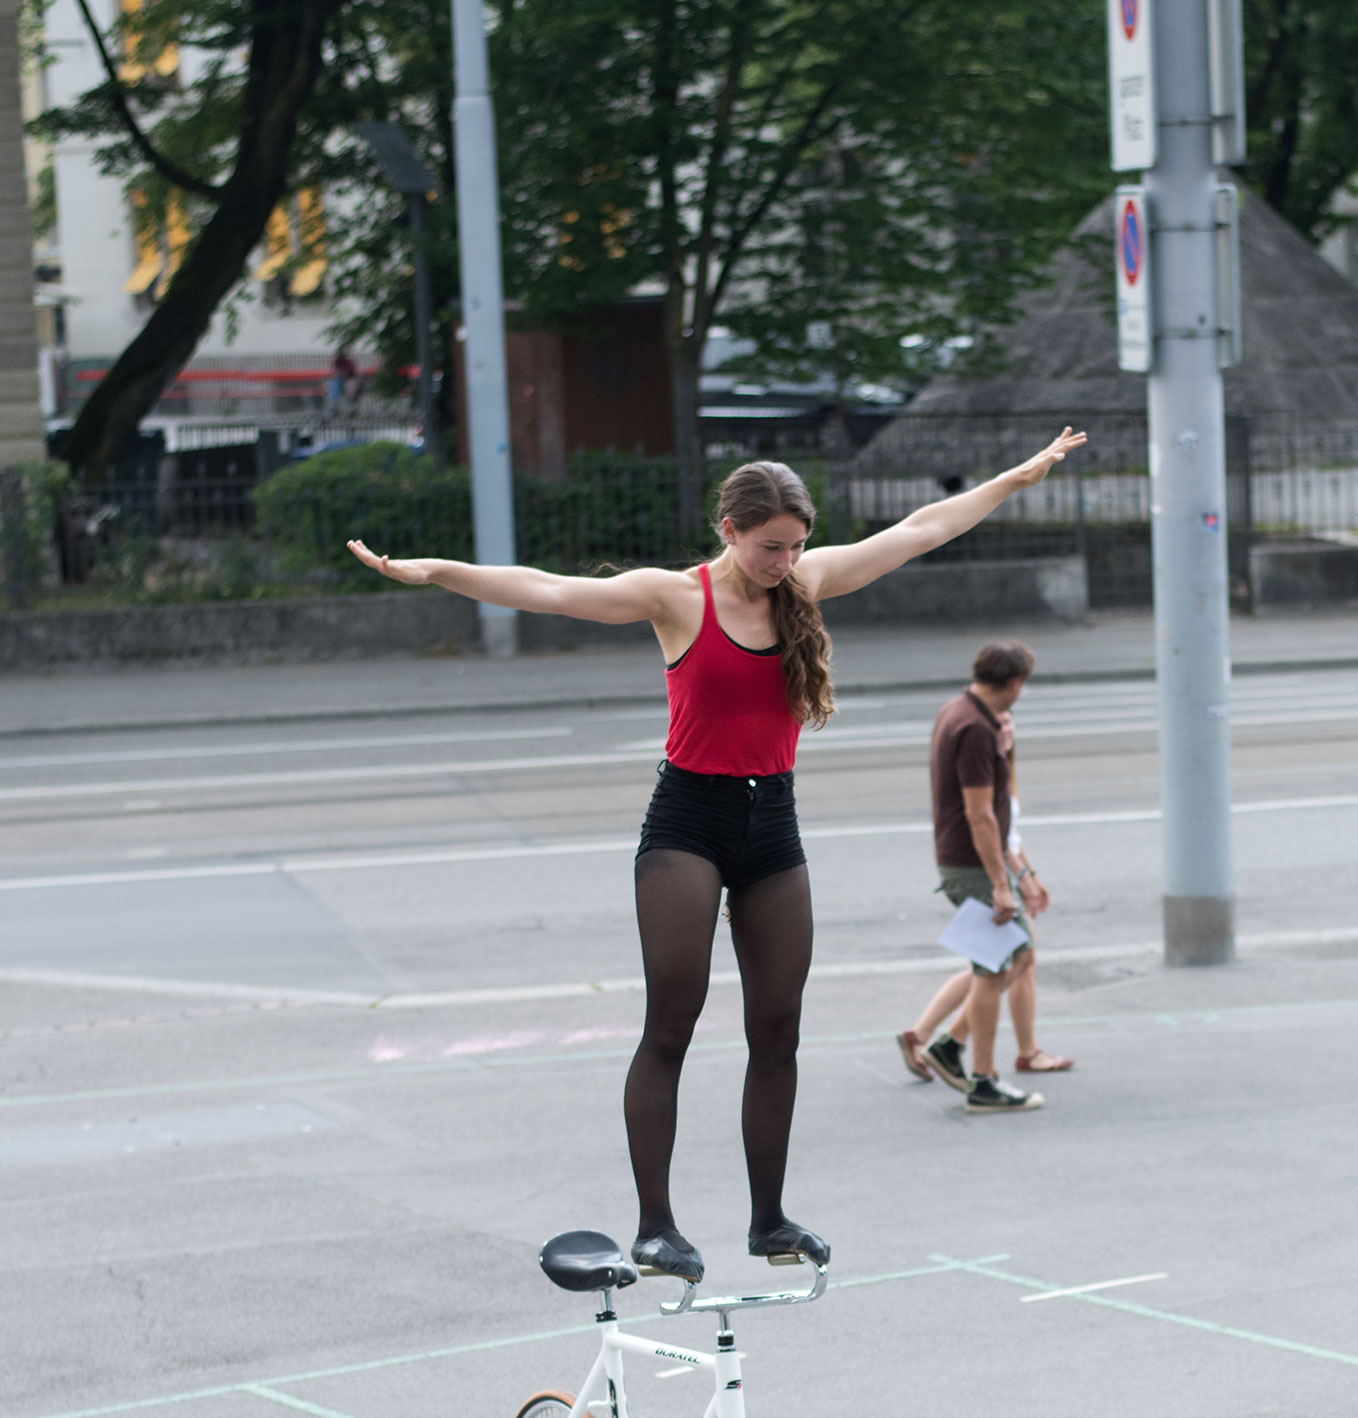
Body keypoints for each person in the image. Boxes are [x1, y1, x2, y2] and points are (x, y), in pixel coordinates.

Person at [347, 430, 1085, 1280]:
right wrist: (435, 570)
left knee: (778, 1031)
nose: (786, 560)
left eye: (797, 546)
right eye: (772, 545)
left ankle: (768, 1220)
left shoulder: (805, 583)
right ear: (730, 530)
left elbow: (921, 528)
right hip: (687, 823)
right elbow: (548, 590)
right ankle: (655, 1226)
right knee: (673, 1023)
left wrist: (1013, 477)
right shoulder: (676, 599)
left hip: (772, 823)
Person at [897, 641, 1052, 1113]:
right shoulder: (976, 727)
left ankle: (949, 1048)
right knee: (998, 964)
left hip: (967, 860)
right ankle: (981, 1078)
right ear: (1014, 683)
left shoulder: (958, 711)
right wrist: (1002, 884)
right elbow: (980, 814)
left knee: (1011, 958)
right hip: (972, 864)